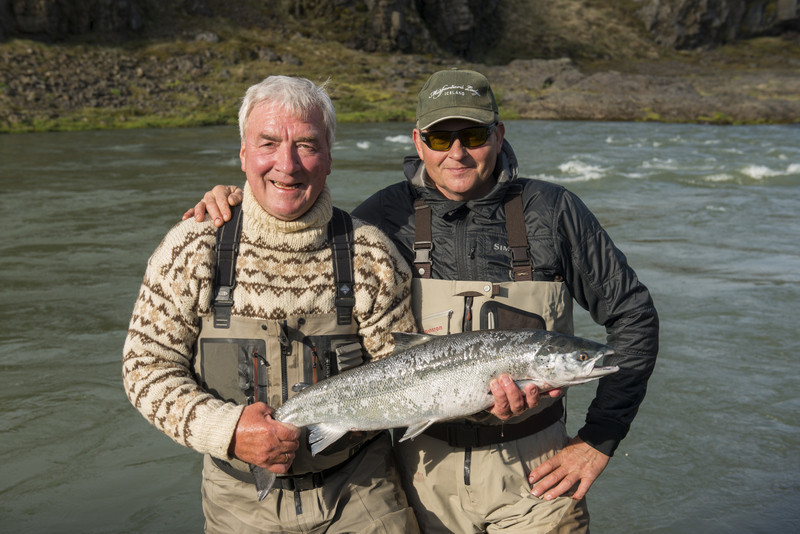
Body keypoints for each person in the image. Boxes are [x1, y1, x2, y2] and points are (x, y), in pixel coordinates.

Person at [188, 69, 659, 533]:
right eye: (439, 138)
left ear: (498, 135)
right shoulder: (381, 218)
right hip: (418, 478)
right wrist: (238, 204)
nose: (457, 152)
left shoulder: (555, 212)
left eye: (473, 135)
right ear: (418, 142)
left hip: (538, 478)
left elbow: (634, 317)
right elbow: (296, 231)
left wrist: (599, 439)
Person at [123, 75, 420, 533]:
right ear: (244, 154)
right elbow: (145, 368)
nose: (287, 163)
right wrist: (228, 430)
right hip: (237, 503)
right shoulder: (193, 247)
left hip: (362, 494)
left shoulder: (372, 254)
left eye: (306, 145)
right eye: (268, 143)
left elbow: (404, 374)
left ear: (328, 158)